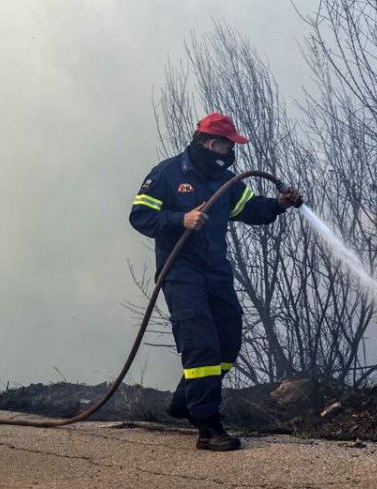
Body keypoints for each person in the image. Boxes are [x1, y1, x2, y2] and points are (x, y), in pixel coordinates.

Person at [129, 112, 303, 451]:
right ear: (212, 143)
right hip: (181, 273)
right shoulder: (167, 174)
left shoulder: (225, 182)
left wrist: (279, 205)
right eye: (227, 144)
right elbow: (140, 216)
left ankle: (185, 401)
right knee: (202, 344)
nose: (230, 151)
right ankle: (208, 426)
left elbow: (250, 210)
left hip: (216, 272)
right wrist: (182, 218)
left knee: (228, 343)